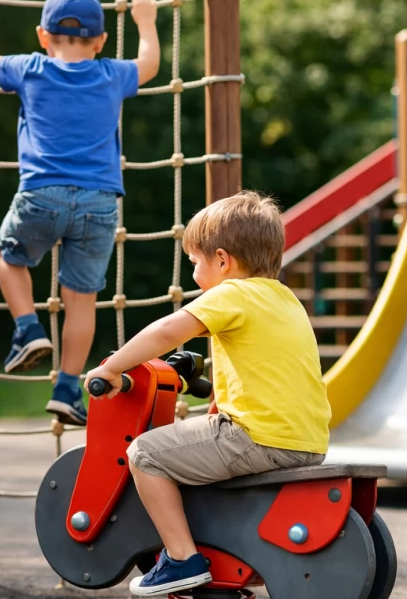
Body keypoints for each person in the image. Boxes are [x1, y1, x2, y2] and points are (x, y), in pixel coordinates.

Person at [84, 191, 332, 596]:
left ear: (222, 261)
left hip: (258, 436)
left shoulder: (231, 294)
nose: (195, 273)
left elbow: (166, 331)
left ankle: (181, 558)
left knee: (145, 454)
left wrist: (112, 368)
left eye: (196, 263)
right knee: (193, 436)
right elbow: (262, 371)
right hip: (307, 439)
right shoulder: (286, 300)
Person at [0, 0, 161, 426]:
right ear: (100, 41)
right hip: (99, 201)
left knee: (6, 254)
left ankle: (28, 329)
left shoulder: (30, 70)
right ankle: (68, 388)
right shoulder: (112, 74)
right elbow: (149, 64)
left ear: (42, 35)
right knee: (82, 300)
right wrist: (145, 20)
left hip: (43, 194)